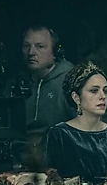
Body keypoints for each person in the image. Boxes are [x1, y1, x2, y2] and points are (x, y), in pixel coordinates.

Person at [21, 24, 75, 166]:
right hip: (22, 163)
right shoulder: (18, 82)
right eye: (26, 46)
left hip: (59, 162)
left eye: (40, 46)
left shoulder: (70, 82)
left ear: (55, 51)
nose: (31, 52)